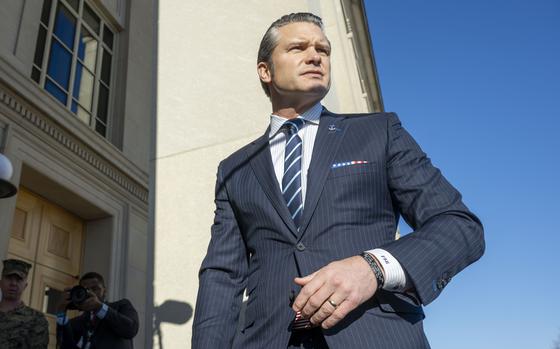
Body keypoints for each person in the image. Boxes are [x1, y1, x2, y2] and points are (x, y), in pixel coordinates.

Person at [192, 12, 485, 349]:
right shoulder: (235, 169)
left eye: (324, 50)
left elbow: (460, 226)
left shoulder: (378, 132)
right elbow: (221, 278)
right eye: (298, 47)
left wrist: (373, 268)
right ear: (265, 70)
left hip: (374, 336)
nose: (315, 56)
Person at [56, 272, 139, 349]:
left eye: (95, 289)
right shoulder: (76, 322)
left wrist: (100, 307)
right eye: (86, 290)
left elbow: (131, 330)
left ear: (104, 291)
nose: (90, 293)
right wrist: (61, 312)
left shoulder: (121, 306)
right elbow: (65, 346)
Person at [0, 259, 49, 348]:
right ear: (0, 282)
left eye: (19, 279)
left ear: (25, 285)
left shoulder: (36, 320)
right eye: (9, 278)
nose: (13, 283)